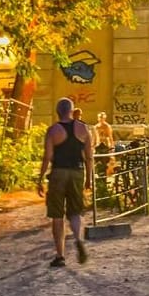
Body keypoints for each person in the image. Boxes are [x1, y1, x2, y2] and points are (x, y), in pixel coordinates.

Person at [37, 97, 94, 267]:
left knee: (57, 214)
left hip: (58, 173)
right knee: (75, 211)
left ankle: (60, 256)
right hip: (77, 172)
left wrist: (40, 179)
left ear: (57, 111)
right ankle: (78, 239)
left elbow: (47, 156)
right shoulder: (84, 129)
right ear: (72, 110)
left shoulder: (53, 131)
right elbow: (89, 157)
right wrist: (89, 179)